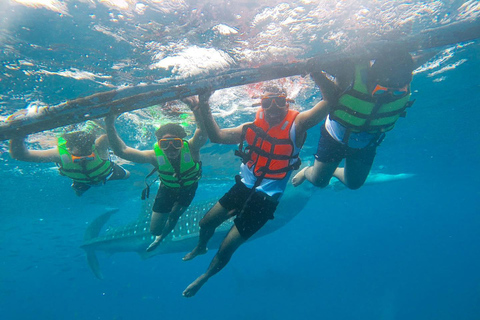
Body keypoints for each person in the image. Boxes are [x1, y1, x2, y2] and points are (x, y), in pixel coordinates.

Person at [181, 78, 334, 298]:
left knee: (226, 247)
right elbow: (217, 136)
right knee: (205, 223)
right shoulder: (250, 127)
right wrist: (203, 105)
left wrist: (315, 71)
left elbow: (329, 101)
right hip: (243, 187)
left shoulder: (297, 124)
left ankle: (204, 277)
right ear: (260, 105)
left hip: (265, 201)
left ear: (287, 103)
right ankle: (201, 246)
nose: (272, 109)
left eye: (279, 102)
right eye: (267, 103)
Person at [292, 49, 418, 190]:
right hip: (335, 137)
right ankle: (307, 171)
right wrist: (315, 73)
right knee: (319, 181)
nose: (388, 96)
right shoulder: (348, 77)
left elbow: (425, 55)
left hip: (366, 142)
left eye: (398, 92)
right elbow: (329, 94)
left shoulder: (404, 74)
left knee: (354, 184)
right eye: (381, 91)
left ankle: (332, 170)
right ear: (372, 79)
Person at [105, 97, 207, 252]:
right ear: (159, 144)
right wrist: (110, 123)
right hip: (167, 189)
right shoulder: (154, 156)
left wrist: (196, 110)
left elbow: (202, 132)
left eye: (176, 143)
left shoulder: (192, 149)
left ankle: (161, 239)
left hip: (189, 188)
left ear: (182, 142)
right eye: (165, 144)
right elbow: (122, 151)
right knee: (154, 230)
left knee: (174, 217)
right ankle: (158, 235)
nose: (171, 148)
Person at [9, 122, 130, 196]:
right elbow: (20, 155)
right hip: (82, 180)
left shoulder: (100, 146)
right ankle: (79, 186)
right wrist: (18, 134)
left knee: (127, 175)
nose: (84, 156)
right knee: (79, 193)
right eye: (80, 151)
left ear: (92, 144)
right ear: (68, 148)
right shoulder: (59, 154)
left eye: (87, 149)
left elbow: (110, 134)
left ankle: (82, 185)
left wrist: (107, 122)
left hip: (107, 174)